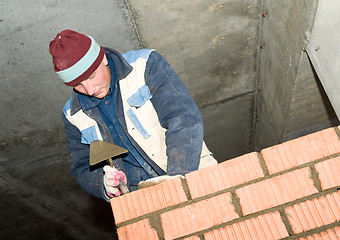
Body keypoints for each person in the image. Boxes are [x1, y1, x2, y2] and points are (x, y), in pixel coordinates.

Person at [49, 29, 217, 201]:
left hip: (193, 171)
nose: (90, 90)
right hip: (142, 199)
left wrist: (177, 179)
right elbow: (83, 168)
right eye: (78, 85)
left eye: (92, 76)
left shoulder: (145, 65)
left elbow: (183, 119)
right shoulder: (73, 115)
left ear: (103, 58)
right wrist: (104, 185)